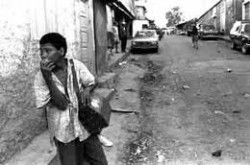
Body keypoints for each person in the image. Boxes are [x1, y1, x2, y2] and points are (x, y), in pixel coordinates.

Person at [34, 32, 108, 165]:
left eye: (48, 50)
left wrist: (87, 90)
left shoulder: (76, 66)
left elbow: (93, 81)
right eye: (41, 51)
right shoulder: (41, 77)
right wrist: (48, 78)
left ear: (61, 51)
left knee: (100, 162)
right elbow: (62, 104)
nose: (43, 55)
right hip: (64, 132)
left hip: (85, 126)